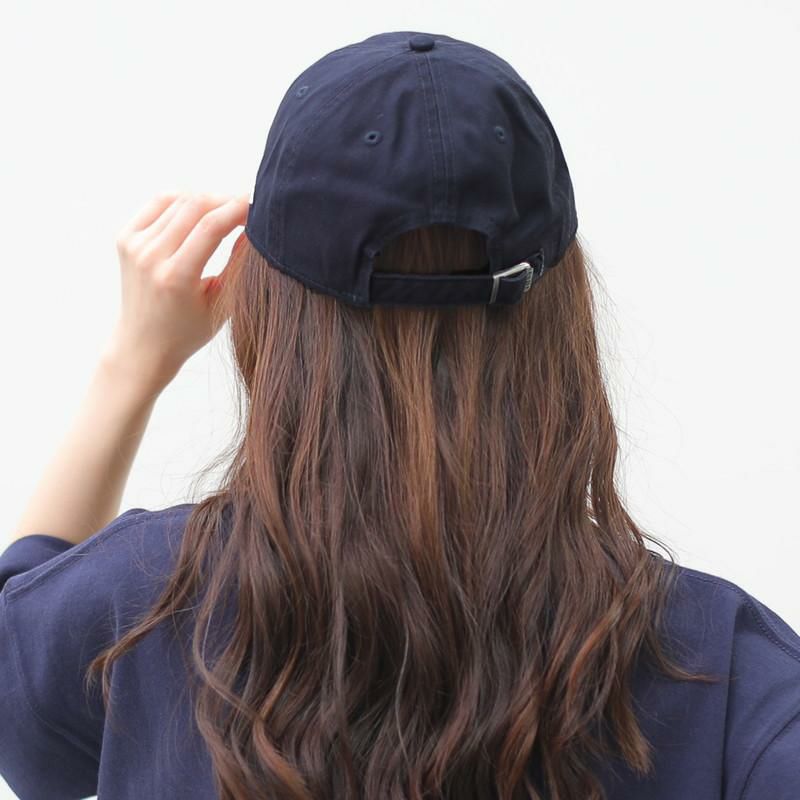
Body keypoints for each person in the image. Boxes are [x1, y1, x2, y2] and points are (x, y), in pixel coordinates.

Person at [1, 29, 798, 800]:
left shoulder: (143, 603)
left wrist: (131, 368)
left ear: (270, 311)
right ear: (564, 314)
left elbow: (21, 712)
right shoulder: (725, 670)